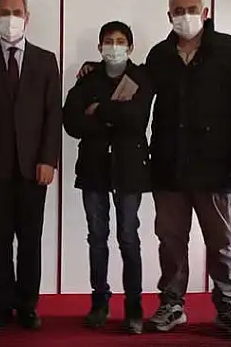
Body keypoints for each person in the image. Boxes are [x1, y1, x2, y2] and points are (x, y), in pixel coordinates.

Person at [76, 0, 231, 339]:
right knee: (171, 241)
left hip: (218, 166)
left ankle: (229, 308)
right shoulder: (160, 56)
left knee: (221, 242)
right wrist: (97, 69)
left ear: (205, 12)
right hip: (169, 165)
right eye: (177, 10)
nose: (184, 15)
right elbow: (133, 84)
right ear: (169, 16)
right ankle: (172, 305)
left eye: (191, 9)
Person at [0, 0, 62, 330]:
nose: (11, 18)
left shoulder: (46, 61)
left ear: (27, 17)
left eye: (16, 12)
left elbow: (53, 115)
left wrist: (49, 159)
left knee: (31, 242)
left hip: (35, 169)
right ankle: (1, 307)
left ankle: (28, 306)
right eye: (4, 12)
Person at [62, 21, 154, 334]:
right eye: (108, 41)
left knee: (128, 237)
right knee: (97, 236)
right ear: (100, 46)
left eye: (120, 41)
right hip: (94, 167)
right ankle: (99, 302)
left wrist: (99, 109)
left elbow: (137, 117)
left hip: (129, 168)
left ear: (130, 46)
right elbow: (71, 122)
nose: (114, 46)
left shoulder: (141, 77)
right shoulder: (88, 78)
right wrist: (114, 116)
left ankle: (134, 307)